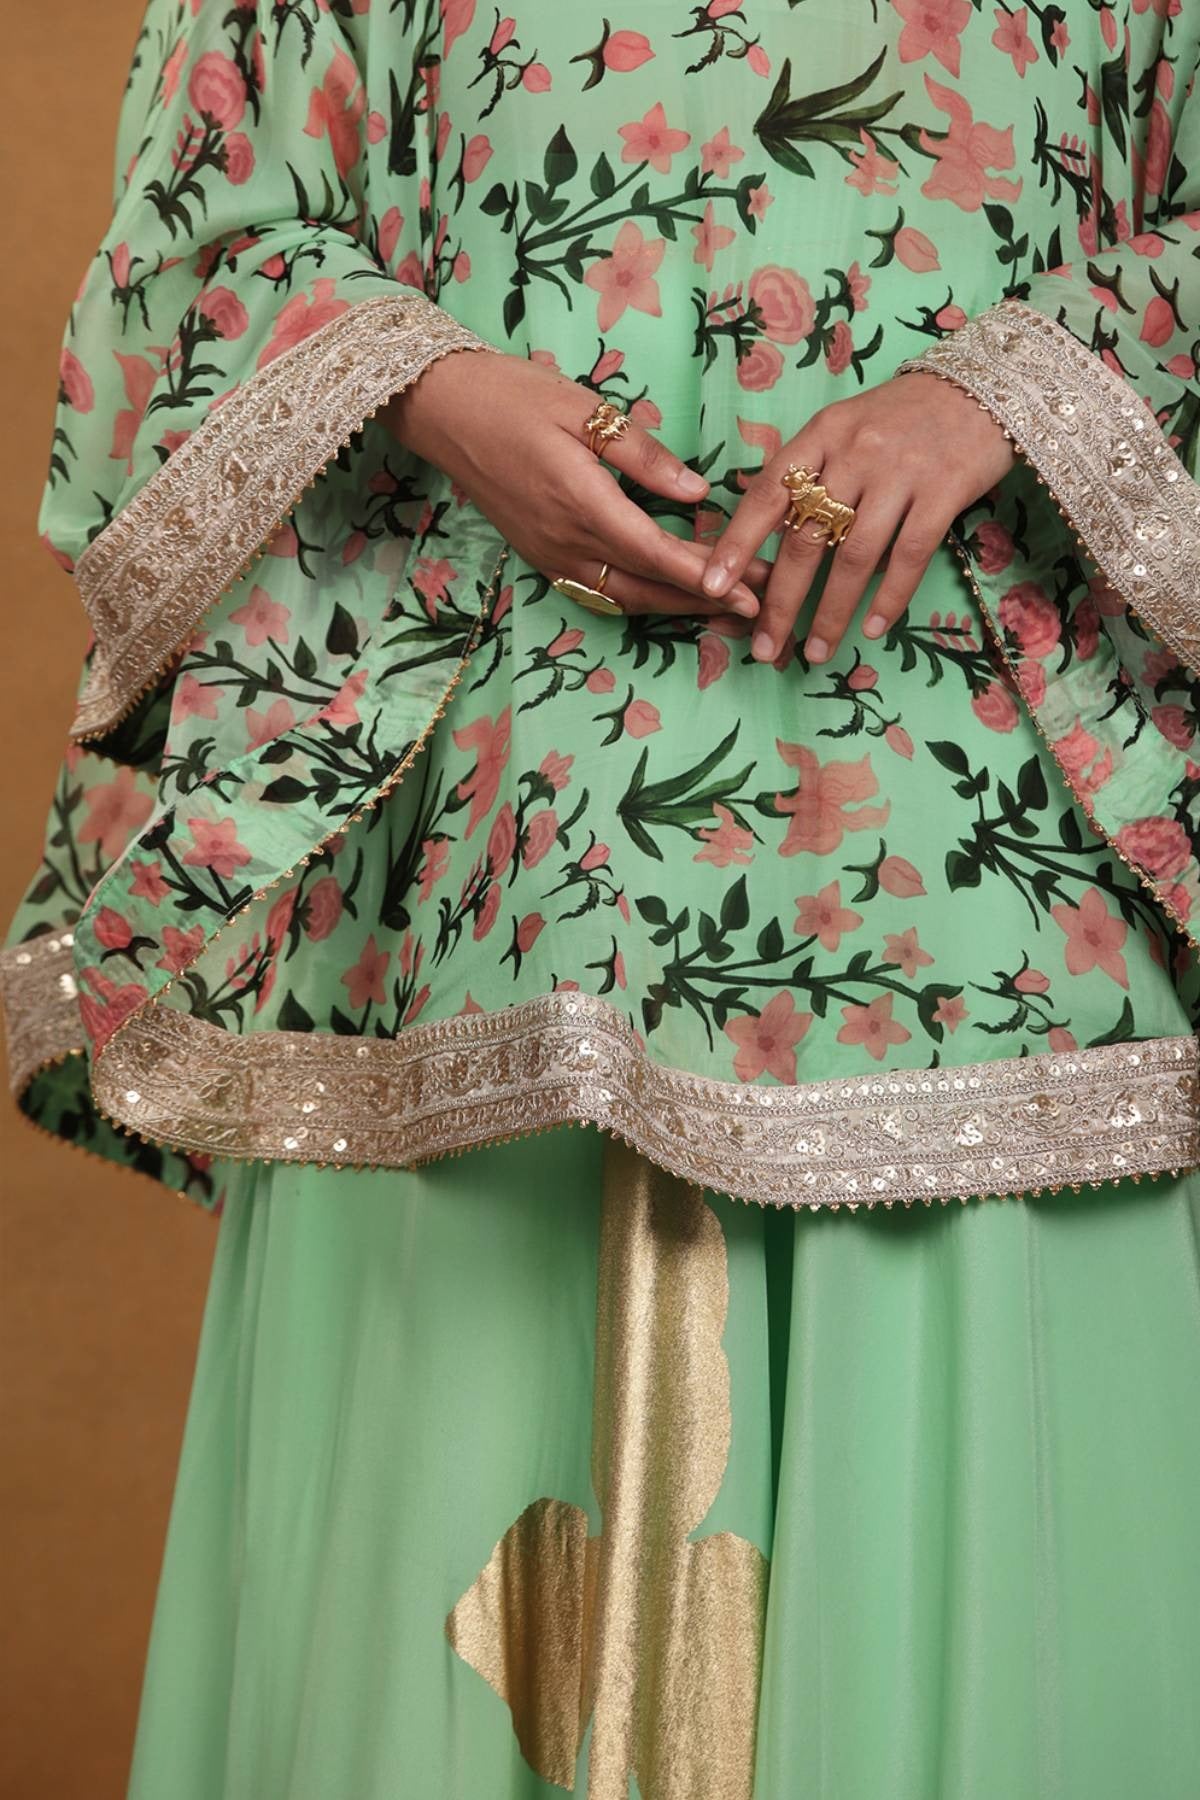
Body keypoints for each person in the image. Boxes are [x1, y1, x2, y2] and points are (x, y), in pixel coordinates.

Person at [2, 0, 1199, 1793]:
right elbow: (207, 212)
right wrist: (435, 391)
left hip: (981, 861)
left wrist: (1007, 393)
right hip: (497, 832)